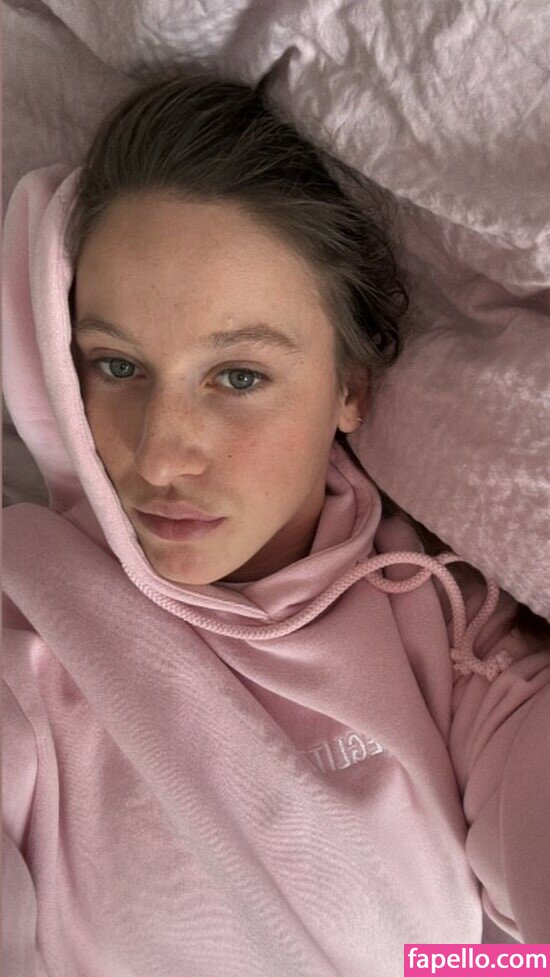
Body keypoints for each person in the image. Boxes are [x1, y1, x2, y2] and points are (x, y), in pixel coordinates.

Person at [3, 71, 549, 977]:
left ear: (349, 389)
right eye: (118, 366)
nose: (161, 455)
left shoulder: (450, 628)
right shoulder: (30, 629)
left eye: (239, 376)